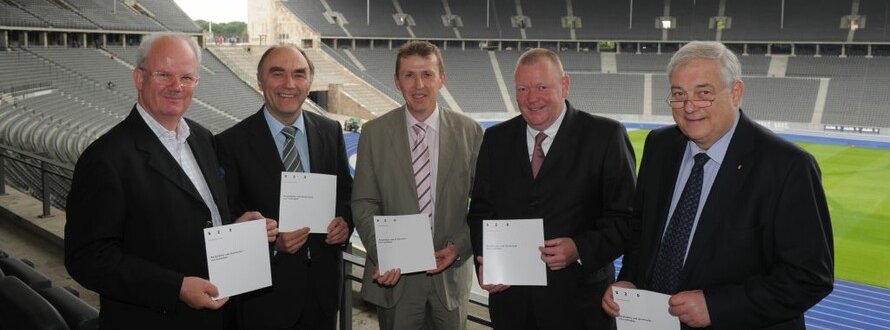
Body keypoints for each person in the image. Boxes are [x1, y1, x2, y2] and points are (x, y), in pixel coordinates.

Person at [602, 41, 834, 329]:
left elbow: (809, 277)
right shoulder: (660, 146)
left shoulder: (788, 166)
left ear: (735, 92)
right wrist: (631, 278)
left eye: (704, 93)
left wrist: (717, 306)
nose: (689, 107)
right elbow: (642, 232)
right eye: (678, 94)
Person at [65, 32, 277, 330]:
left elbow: (199, 219)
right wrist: (175, 287)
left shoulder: (202, 139)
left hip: (219, 317)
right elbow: (87, 258)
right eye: (164, 74)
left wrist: (235, 229)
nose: (176, 87)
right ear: (139, 78)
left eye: (187, 78)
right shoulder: (105, 157)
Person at [467, 48, 637, 330]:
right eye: (523, 88)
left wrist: (579, 248)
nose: (532, 98)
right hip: (512, 303)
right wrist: (486, 262)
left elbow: (626, 218)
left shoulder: (605, 136)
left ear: (565, 85)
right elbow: (481, 212)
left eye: (542, 87)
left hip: (580, 306)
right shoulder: (496, 139)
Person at [216, 45, 353, 330]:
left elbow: (346, 196)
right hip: (265, 300)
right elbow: (225, 221)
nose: (289, 84)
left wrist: (345, 223)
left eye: (299, 74)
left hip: (323, 295)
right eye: (277, 74)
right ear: (260, 81)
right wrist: (271, 243)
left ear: (309, 83)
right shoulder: (230, 143)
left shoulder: (330, 131)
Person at [352, 41, 483, 330]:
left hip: (449, 278)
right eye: (409, 75)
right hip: (396, 281)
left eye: (427, 74)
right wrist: (384, 252)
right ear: (397, 81)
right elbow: (363, 202)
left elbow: (484, 203)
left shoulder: (470, 132)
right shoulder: (374, 133)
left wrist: (459, 245)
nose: (419, 84)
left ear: (441, 79)